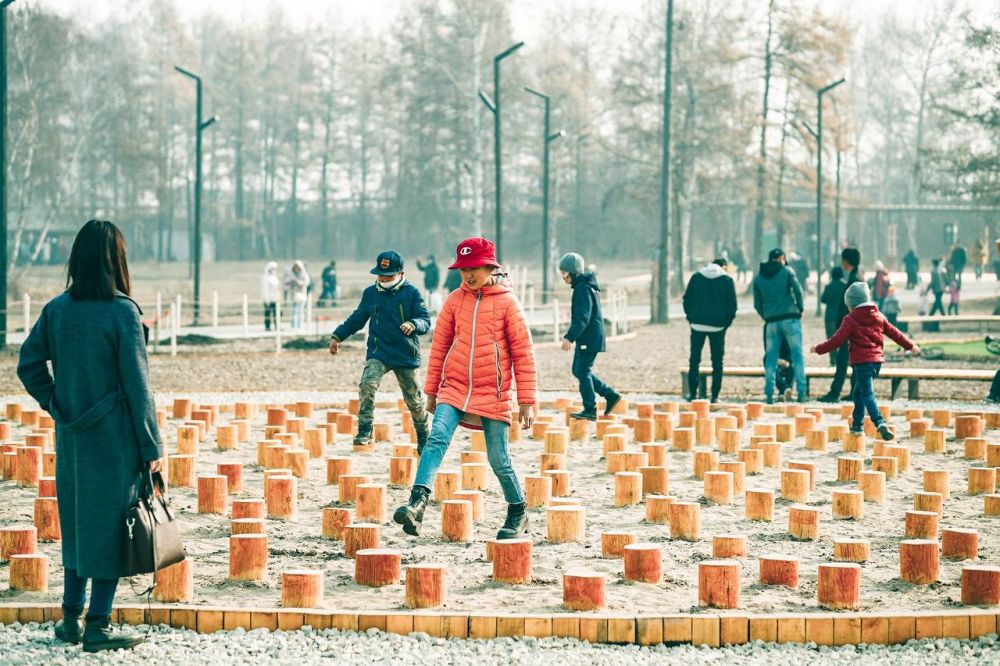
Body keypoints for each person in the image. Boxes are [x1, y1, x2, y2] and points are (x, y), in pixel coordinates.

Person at [17, 220, 160, 652]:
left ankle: (70, 619)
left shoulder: (57, 309)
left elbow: (28, 364)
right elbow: (138, 387)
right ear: (116, 260)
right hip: (116, 442)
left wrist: (56, 404)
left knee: (78, 524)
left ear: (77, 259)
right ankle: (98, 625)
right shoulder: (122, 312)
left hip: (73, 440)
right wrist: (152, 447)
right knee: (112, 529)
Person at [393, 237, 536, 540]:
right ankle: (417, 504)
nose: (468, 275)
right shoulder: (455, 300)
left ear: (490, 267)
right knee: (436, 438)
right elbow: (440, 346)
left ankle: (518, 511)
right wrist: (432, 390)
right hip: (454, 387)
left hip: (493, 391)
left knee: (498, 459)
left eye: (474, 268)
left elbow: (523, 353)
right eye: (463, 269)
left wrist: (526, 400)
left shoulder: (508, 303)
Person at [329, 251, 431, 450]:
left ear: (401, 274)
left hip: (405, 354)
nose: (384, 279)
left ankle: (423, 436)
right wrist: (337, 336)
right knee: (367, 385)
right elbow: (357, 319)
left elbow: (425, 320)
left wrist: (413, 324)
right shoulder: (371, 293)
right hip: (379, 351)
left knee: (415, 400)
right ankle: (365, 430)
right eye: (380, 275)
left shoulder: (412, 293)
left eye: (389, 276)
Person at [812, 281, 919, 438]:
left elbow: (836, 340)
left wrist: (818, 349)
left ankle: (879, 422)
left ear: (852, 305)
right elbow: (895, 333)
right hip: (876, 362)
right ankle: (857, 425)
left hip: (862, 363)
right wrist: (910, 345)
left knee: (867, 394)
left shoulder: (850, 319)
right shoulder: (878, 316)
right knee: (858, 393)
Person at [558, 252, 622, 420]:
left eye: (564, 272)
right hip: (590, 337)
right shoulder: (585, 286)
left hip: (589, 338)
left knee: (582, 370)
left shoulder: (582, 289)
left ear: (572, 272)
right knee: (578, 370)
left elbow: (582, 318)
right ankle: (610, 395)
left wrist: (569, 337)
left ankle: (590, 409)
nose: (562, 276)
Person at [753, 248, 807, 404]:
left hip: (771, 321)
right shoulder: (787, 271)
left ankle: (769, 393)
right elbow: (798, 291)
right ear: (782, 258)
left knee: (771, 359)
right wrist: (800, 308)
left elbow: (757, 304)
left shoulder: (759, 278)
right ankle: (801, 392)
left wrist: (766, 315)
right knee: (797, 356)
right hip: (790, 318)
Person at [683, 258, 738, 402]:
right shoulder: (727, 281)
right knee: (717, 362)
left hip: (697, 324)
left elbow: (687, 299)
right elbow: (732, 306)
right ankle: (715, 396)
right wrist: (726, 324)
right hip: (718, 326)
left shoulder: (696, 277)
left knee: (694, 359)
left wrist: (690, 318)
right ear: (724, 266)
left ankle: (692, 394)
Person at [819, 247, 864, 403]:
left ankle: (835, 392)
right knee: (851, 359)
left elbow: (852, 305)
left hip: (851, 326)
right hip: (854, 325)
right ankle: (854, 391)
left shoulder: (854, 279)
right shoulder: (856, 277)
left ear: (846, 261)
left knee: (843, 359)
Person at [821, 266, 847, 366]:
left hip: (830, 317)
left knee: (831, 339)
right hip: (842, 316)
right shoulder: (845, 286)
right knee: (843, 339)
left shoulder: (828, 286)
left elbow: (823, 299)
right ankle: (844, 359)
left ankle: (833, 359)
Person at [286, 261, 308, 329]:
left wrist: (299, 282)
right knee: (293, 311)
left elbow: (306, 283)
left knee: (300, 311)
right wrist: (291, 283)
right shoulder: (291, 274)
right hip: (293, 295)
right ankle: (293, 325)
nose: (297, 269)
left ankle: (300, 325)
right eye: (295, 267)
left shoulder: (304, 274)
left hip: (301, 295)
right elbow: (286, 282)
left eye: (298, 267)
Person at [261, 261, 280, 331]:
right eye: (273, 269)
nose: (274, 270)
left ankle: (277, 326)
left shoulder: (274, 277)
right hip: (268, 299)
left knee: (276, 313)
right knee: (268, 313)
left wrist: (278, 296)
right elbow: (265, 289)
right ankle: (267, 326)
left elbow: (277, 288)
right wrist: (266, 300)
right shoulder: (265, 278)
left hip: (275, 298)